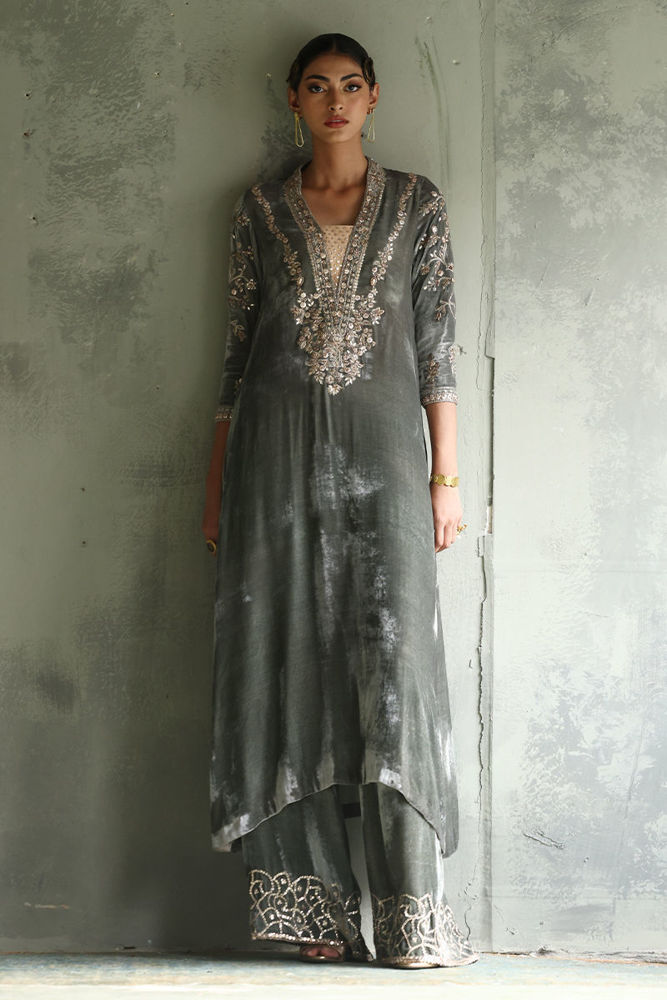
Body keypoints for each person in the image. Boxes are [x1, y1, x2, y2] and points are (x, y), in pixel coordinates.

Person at [201, 32, 479, 969]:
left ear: (373, 97)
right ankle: (309, 911)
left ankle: (410, 917)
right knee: (284, 660)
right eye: (316, 87)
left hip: (387, 464)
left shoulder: (416, 205)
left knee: (394, 668)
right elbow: (234, 360)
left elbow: (437, 352)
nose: (334, 101)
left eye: (349, 85)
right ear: (292, 99)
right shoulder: (259, 210)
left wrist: (445, 482)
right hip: (272, 463)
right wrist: (216, 488)